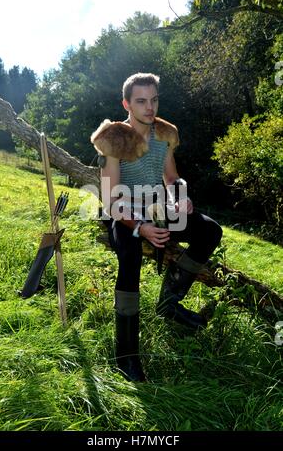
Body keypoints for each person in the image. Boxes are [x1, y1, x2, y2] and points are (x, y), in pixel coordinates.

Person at [90, 73, 222, 382]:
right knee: (131, 257)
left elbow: (172, 178)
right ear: (126, 103)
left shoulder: (164, 134)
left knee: (210, 230)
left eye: (154, 100)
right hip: (123, 213)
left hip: (157, 208)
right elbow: (110, 200)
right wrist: (141, 228)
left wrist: (181, 197)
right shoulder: (113, 139)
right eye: (141, 101)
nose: (149, 108)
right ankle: (126, 357)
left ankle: (169, 303)